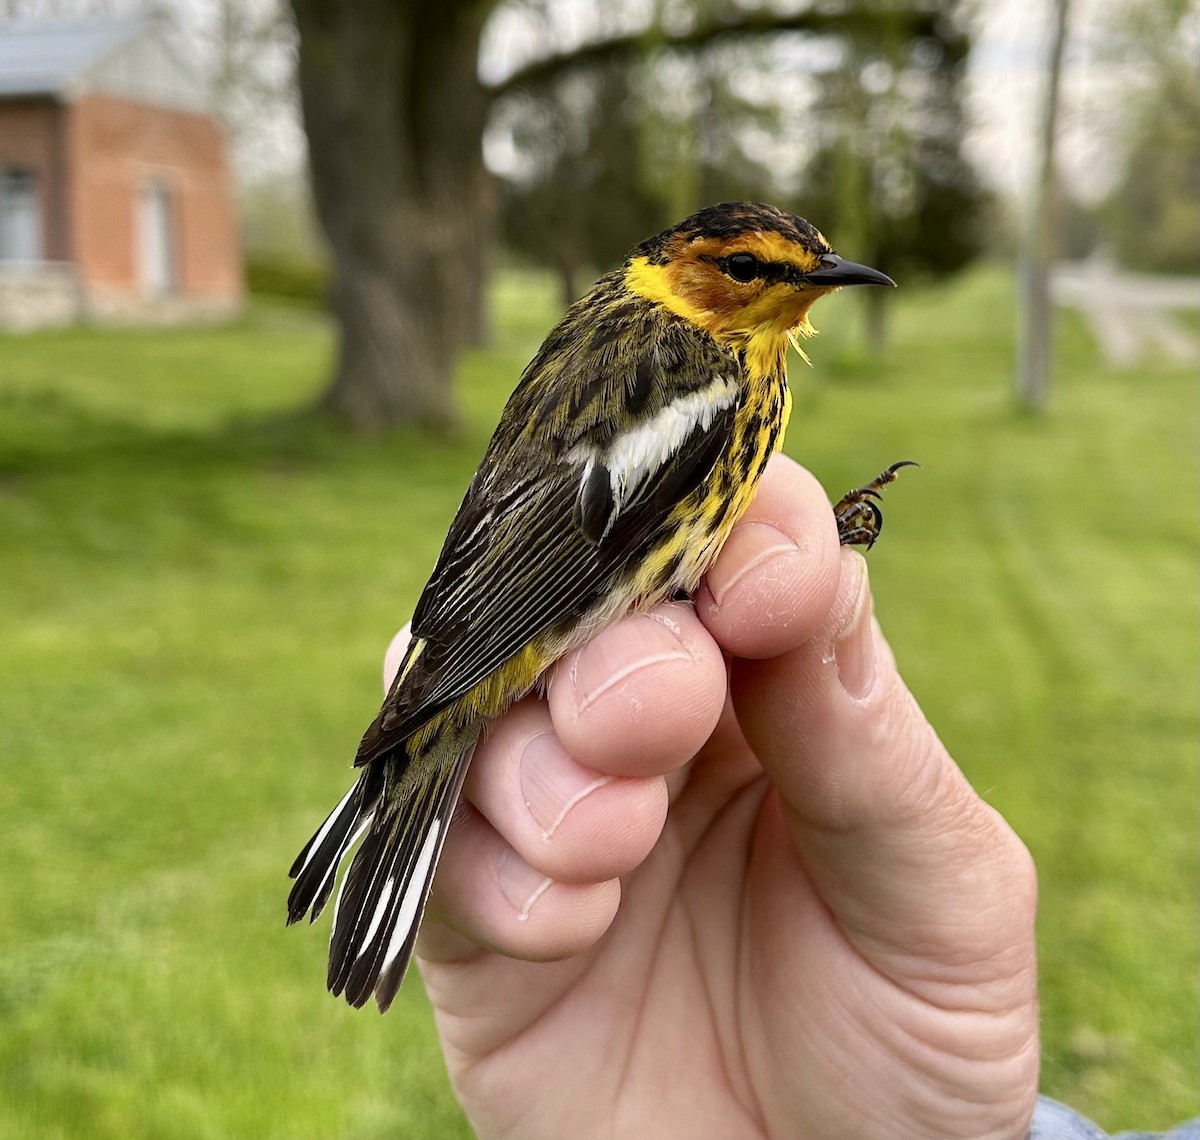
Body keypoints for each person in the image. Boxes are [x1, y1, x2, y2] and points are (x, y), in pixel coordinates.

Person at [383, 455, 1196, 1140]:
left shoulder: (724, 371)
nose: (799, 290)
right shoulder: (697, 363)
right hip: (522, 622)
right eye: (747, 266)